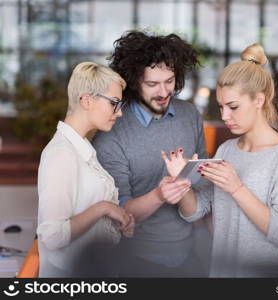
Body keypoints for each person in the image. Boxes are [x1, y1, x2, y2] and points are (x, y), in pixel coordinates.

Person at [162, 43, 278, 277]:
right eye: (221, 107)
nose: (224, 116)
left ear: (259, 100)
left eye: (233, 107)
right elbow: (195, 211)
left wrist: (236, 188)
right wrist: (182, 182)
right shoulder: (226, 150)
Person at [92, 30, 208, 277]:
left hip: (190, 256)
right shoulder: (113, 131)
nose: (164, 92)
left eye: (170, 81)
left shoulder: (189, 115)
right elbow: (116, 215)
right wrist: (159, 195)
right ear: (134, 82)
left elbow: (203, 187)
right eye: (152, 84)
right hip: (134, 262)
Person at [37, 62, 135, 277]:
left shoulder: (82, 148)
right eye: (114, 103)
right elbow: (52, 235)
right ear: (87, 100)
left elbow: (86, 214)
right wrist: (104, 208)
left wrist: (115, 222)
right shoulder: (61, 154)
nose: (119, 113)